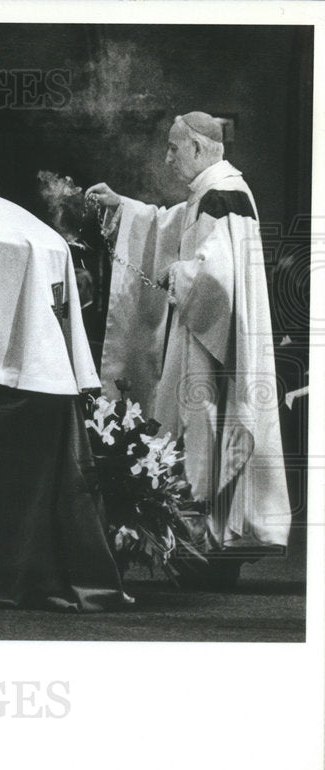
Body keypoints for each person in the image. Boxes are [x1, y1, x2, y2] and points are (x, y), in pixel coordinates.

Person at [86, 112, 290, 549]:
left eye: (174, 149)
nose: (167, 158)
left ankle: (207, 541)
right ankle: (203, 539)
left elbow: (214, 281)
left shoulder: (221, 195)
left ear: (198, 149)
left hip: (209, 347)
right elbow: (169, 224)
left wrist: (176, 275)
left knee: (206, 426)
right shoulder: (213, 192)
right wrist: (122, 206)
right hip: (206, 336)